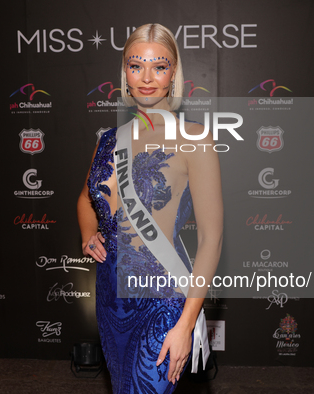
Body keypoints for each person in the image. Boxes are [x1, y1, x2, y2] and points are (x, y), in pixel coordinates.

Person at [77, 23, 223, 393]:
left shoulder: (194, 139)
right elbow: (85, 198)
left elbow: (211, 239)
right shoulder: (109, 139)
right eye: (135, 65)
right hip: (110, 295)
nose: (146, 78)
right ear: (124, 71)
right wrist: (87, 233)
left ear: (173, 74)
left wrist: (186, 325)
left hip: (163, 301)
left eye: (159, 66)